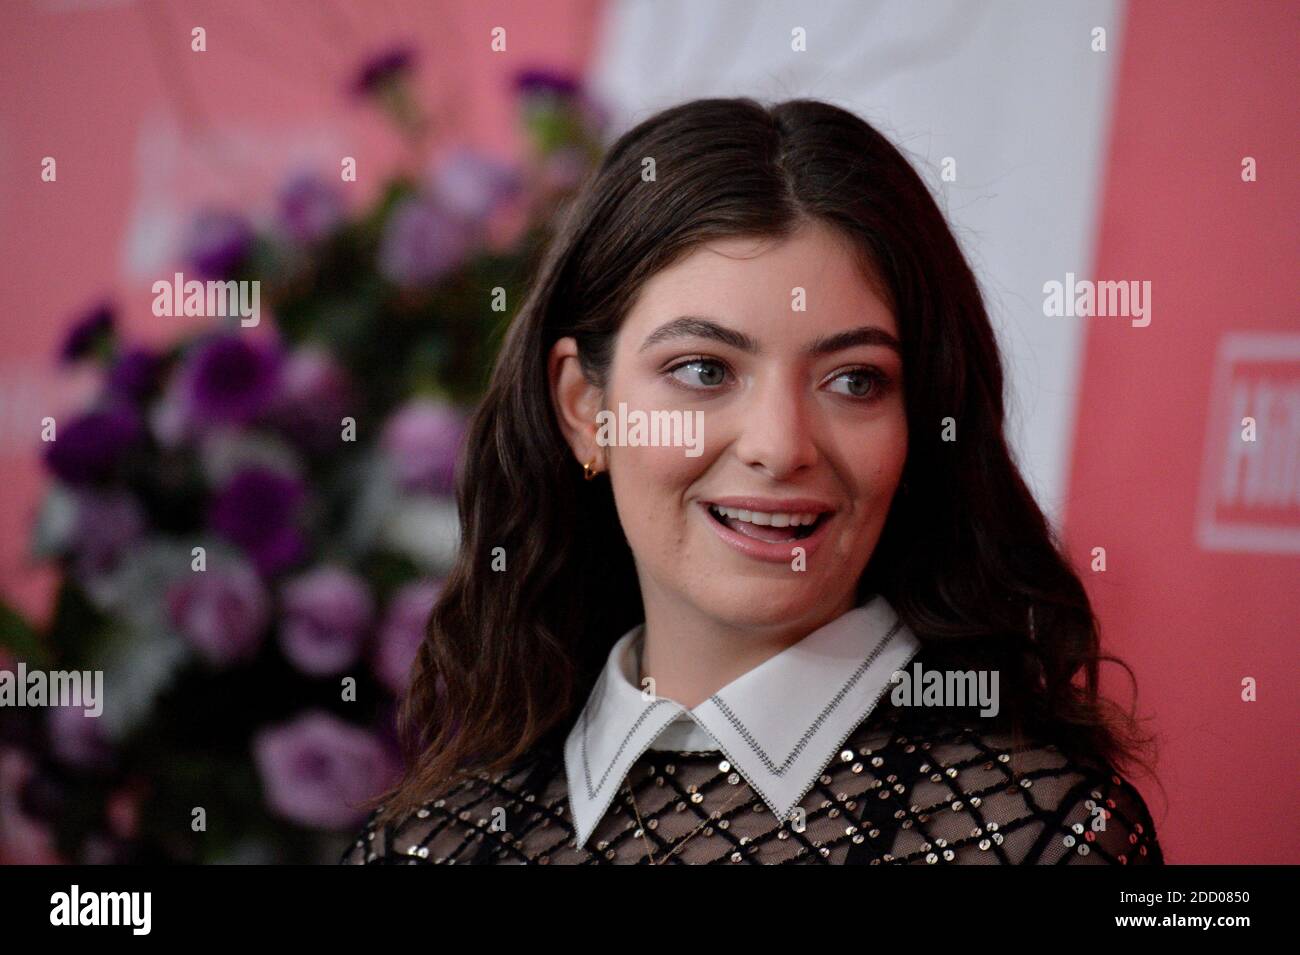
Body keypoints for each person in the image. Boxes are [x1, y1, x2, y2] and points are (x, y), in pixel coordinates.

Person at [341, 96, 1164, 865]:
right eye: (704, 369)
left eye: (853, 380)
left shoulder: (1046, 835)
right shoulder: (423, 840)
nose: (780, 447)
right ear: (587, 406)